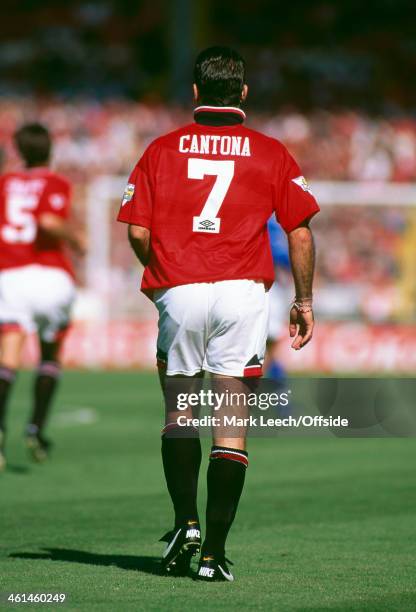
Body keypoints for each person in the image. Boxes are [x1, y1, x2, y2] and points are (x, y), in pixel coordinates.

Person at [117, 46, 319, 582]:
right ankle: (213, 556)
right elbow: (299, 230)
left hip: (180, 287)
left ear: (195, 93)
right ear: (244, 94)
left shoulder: (160, 150)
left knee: (180, 415)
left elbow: (138, 231)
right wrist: (303, 302)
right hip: (242, 293)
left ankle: (185, 522)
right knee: (231, 426)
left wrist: (164, 281)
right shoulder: (272, 152)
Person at [0, 123, 84, 469]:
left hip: (9, 275)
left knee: (8, 358)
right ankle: (36, 428)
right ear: (50, 150)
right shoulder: (55, 182)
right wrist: (78, 239)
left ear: (18, 151)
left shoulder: (4, 184)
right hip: (49, 275)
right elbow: (49, 221)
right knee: (50, 352)